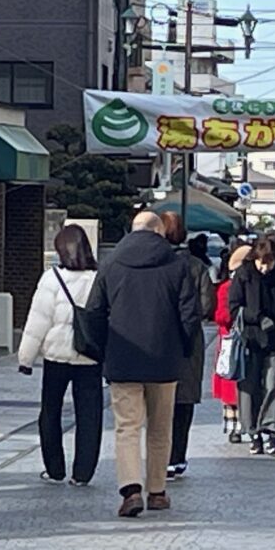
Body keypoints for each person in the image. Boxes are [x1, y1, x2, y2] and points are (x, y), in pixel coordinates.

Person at [85, 211, 200, 518]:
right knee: (161, 428)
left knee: (127, 427)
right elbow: (190, 314)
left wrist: (103, 349)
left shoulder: (111, 263)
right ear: (160, 232)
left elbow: (94, 311)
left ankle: (131, 490)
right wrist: (183, 349)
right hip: (165, 359)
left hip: (122, 357)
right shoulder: (176, 264)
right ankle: (157, 491)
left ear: (132, 230)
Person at [18, 225, 103, 486]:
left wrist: (26, 358)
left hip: (57, 355)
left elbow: (38, 322)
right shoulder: (99, 278)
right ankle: (83, 473)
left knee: (50, 411)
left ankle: (54, 468)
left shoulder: (51, 278)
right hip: (90, 355)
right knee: (90, 415)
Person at [229, 237, 275, 456]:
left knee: (272, 385)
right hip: (249, 340)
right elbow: (234, 308)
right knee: (249, 387)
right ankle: (253, 432)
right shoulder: (244, 275)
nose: (265, 268)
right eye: (261, 263)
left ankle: (271, 432)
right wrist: (257, 317)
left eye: (269, 263)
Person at [163, 212, 216, 480]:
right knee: (183, 401)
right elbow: (207, 305)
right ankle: (177, 457)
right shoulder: (196, 266)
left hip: (157, 340)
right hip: (190, 339)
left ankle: (159, 455)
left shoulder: (155, 263)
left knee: (159, 401)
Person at [213, 245, 252, 444]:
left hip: (235, 340)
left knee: (235, 382)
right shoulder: (227, 288)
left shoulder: (227, 286)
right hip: (232, 341)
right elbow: (221, 316)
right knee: (232, 382)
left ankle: (238, 426)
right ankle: (235, 426)